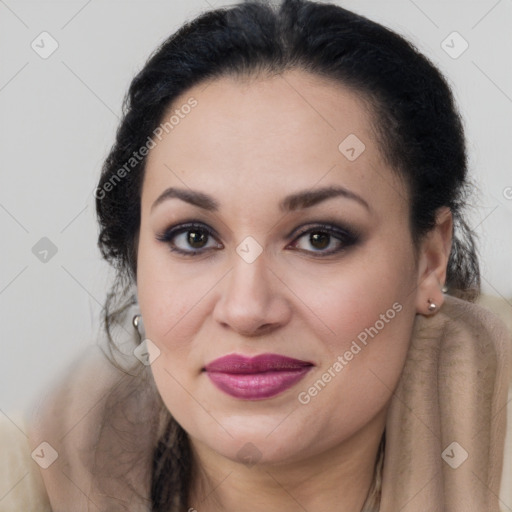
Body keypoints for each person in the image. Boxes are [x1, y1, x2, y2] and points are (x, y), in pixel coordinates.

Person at [2, 0, 510, 511]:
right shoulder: (37, 472)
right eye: (194, 238)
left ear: (429, 259)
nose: (246, 310)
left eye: (319, 238)